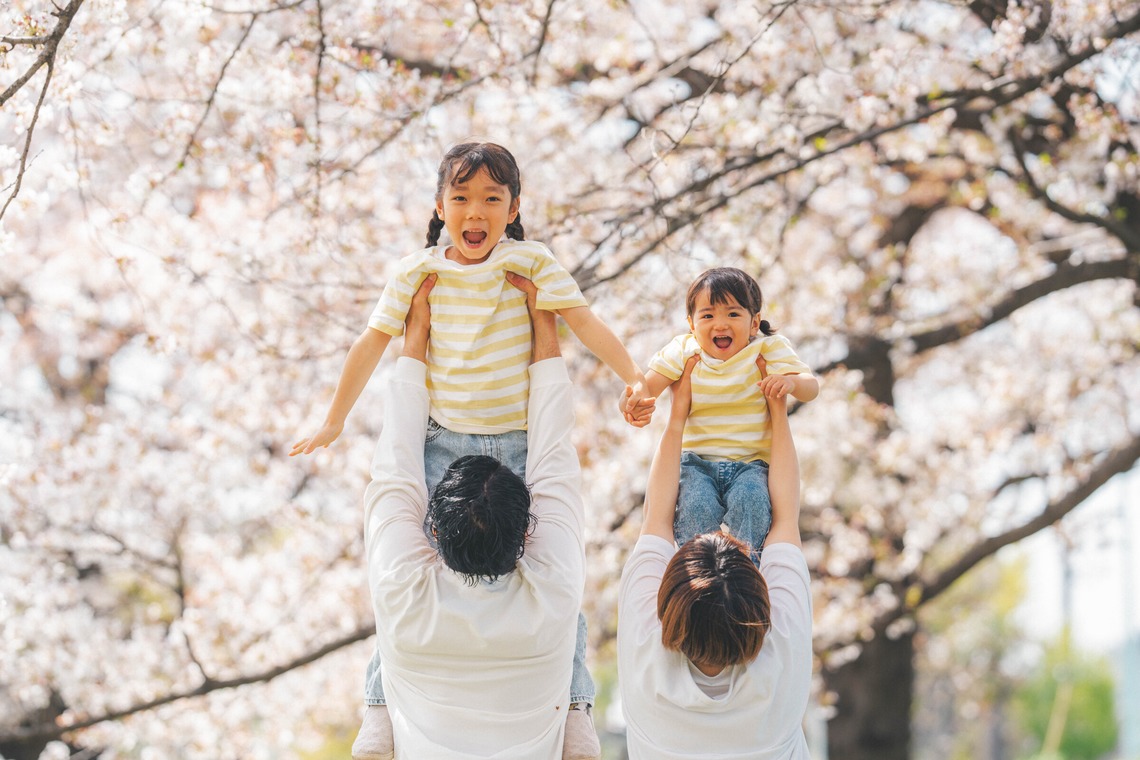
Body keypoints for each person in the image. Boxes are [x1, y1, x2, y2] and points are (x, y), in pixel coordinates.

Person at [292, 143, 630, 758]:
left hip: (518, 439)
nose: (476, 213)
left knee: (553, 573)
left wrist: (635, 379)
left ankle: (575, 703)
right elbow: (370, 345)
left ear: (514, 207)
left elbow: (585, 321)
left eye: (492, 200)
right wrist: (334, 419)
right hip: (444, 442)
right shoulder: (417, 272)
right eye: (462, 198)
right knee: (405, 568)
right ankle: (378, 705)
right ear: (440, 205)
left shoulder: (532, 263)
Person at [364, 271, 587, 758]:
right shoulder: (554, 588)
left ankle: (375, 706)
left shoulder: (405, 592)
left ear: (435, 531)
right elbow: (550, 460)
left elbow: (398, 470)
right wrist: (542, 324)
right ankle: (578, 708)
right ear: (528, 536)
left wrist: (416, 334)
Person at [617, 353, 813, 758]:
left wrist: (677, 419)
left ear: (666, 603)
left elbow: (657, 514)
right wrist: (777, 412)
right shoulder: (781, 661)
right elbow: (785, 518)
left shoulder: (645, 659)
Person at [623, 266, 818, 560]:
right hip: (697, 464)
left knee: (751, 501)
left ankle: (747, 566)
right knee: (695, 505)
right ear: (691, 324)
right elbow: (647, 387)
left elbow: (811, 388)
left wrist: (790, 382)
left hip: (751, 464)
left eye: (733, 314)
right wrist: (632, 401)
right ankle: (699, 566)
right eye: (708, 315)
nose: (720, 324)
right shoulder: (685, 350)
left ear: (754, 323)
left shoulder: (768, 348)